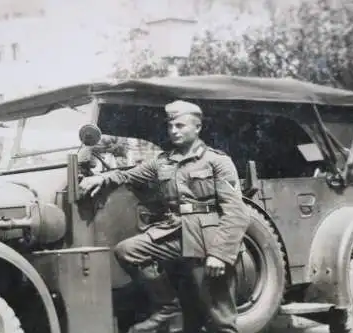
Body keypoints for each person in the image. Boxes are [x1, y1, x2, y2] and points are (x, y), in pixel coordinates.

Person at [79, 100, 250, 333]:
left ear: (197, 128)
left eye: (180, 126)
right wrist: (102, 178)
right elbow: (129, 175)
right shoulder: (163, 161)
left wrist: (220, 254)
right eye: (171, 127)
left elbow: (236, 213)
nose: (174, 131)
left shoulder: (217, 161)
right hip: (173, 233)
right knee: (128, 251)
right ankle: (167, 306)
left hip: (206, 240)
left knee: (218, 316)